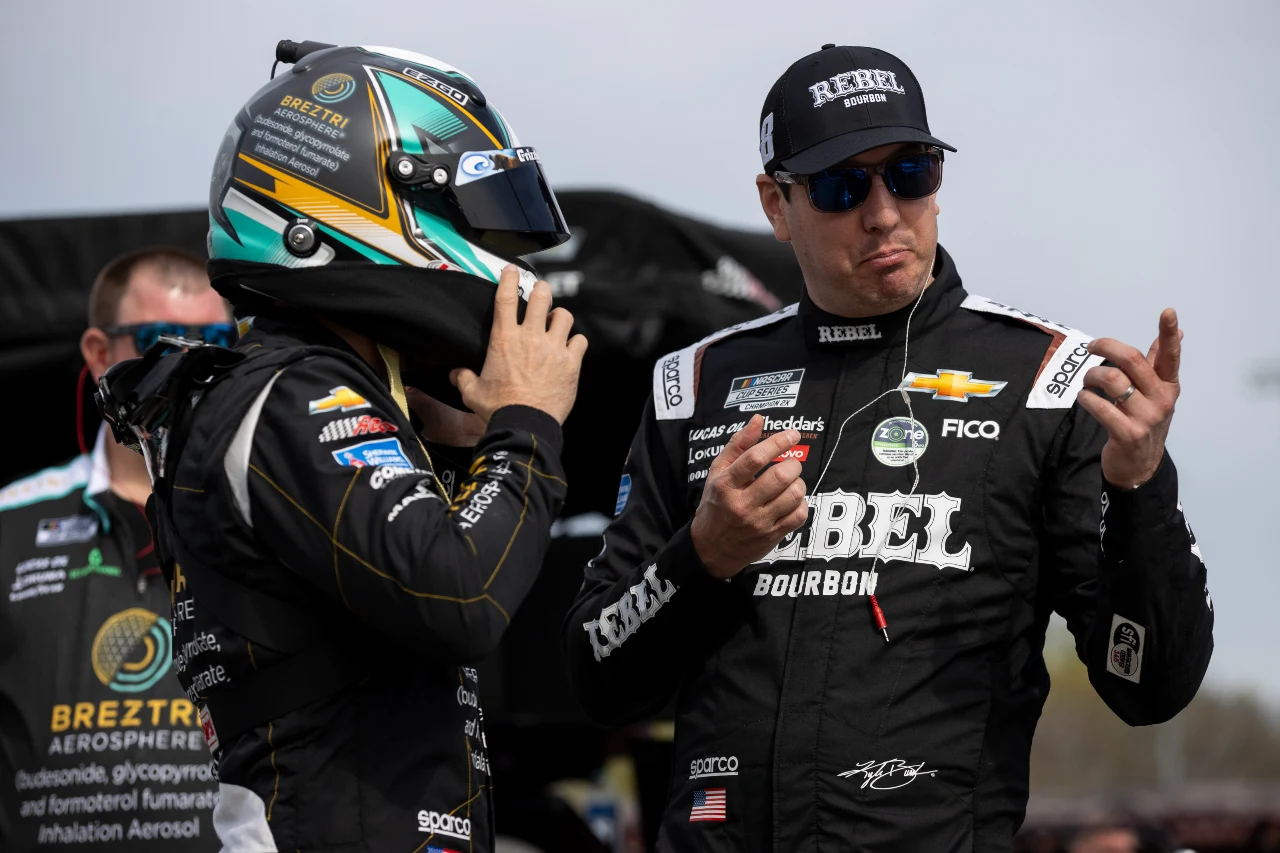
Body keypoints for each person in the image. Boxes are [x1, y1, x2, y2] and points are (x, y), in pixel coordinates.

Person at [563, 44, 1213, 851]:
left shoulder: (1049, 381)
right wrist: (704, 556)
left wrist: (1142, 493)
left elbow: (1149, 687)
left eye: (910, 173)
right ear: (777, 203)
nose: (883, 212)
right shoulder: (693, 384)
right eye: (841, 185)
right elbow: (597, 675)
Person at [97, 42, 585, 852]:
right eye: (470, 217)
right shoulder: (289, 394)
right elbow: (462, 599)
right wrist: (525, 429)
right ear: (355, 201)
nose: (502, 266)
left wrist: (470, 449)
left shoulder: (316, 390)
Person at [0, 248, 231, 851]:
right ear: (100, 355)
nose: (193, 364)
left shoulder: (267, 510)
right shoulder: (10, 519)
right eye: (162, 340)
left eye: (215, 339)